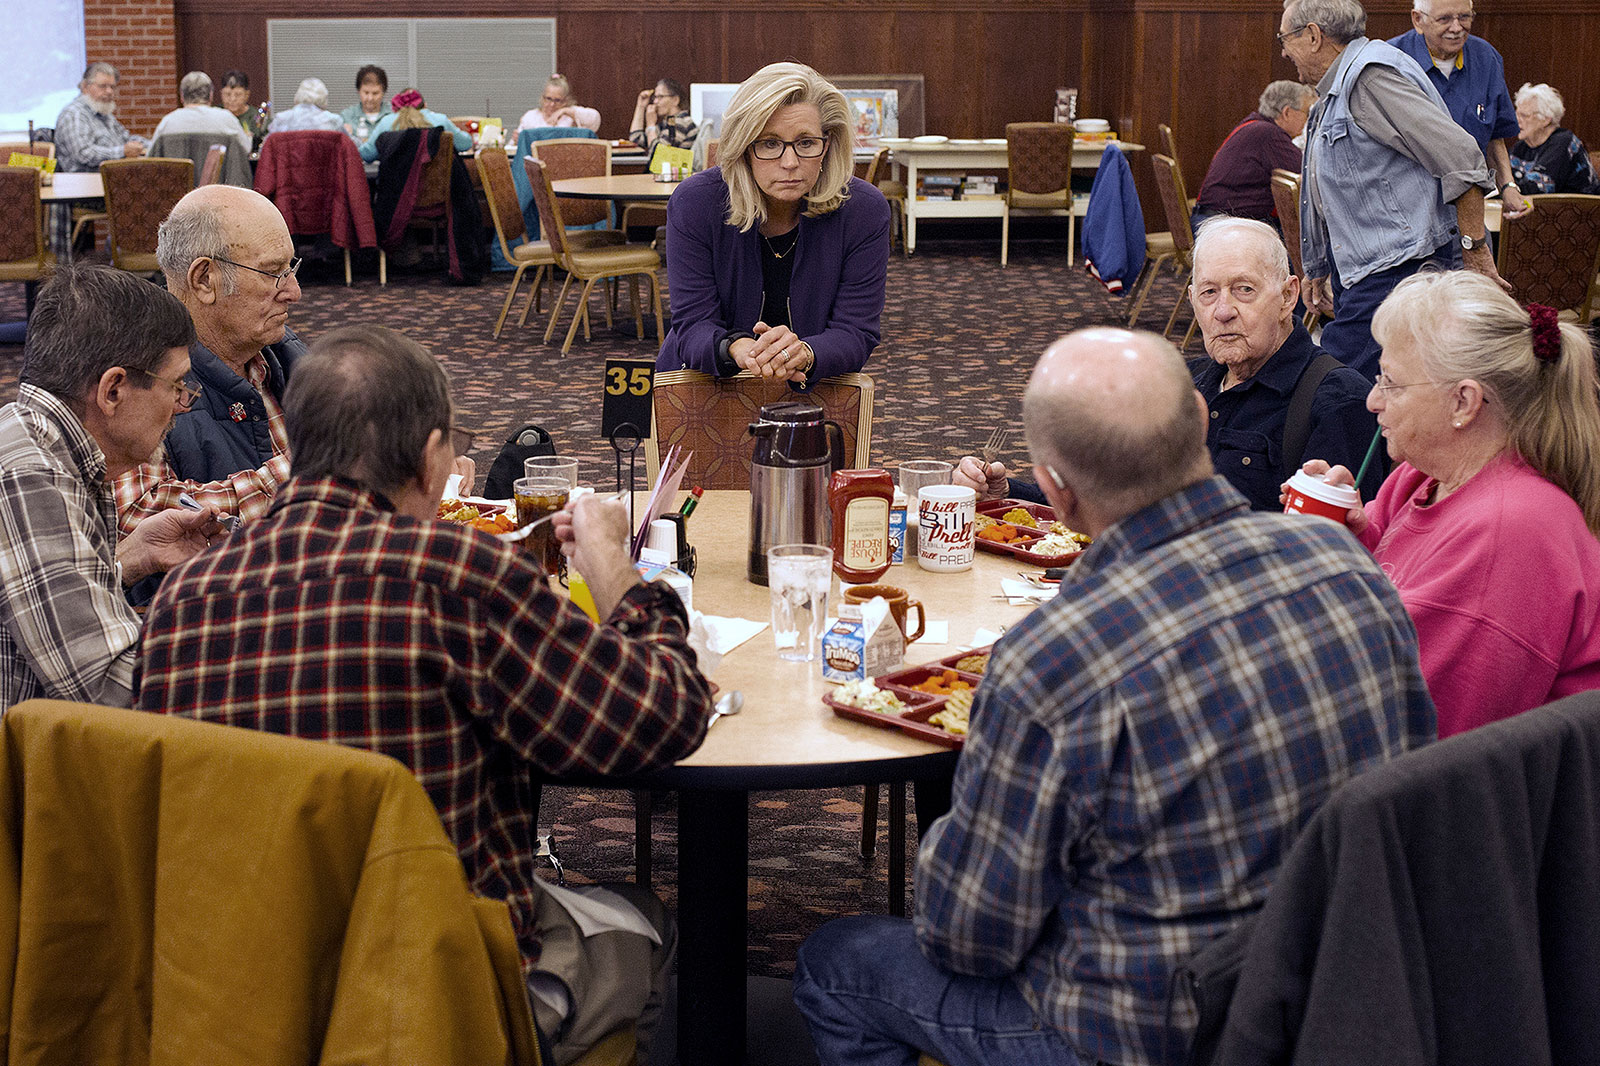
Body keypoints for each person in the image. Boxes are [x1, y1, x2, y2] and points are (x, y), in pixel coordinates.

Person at [792, 327, 1435, 1066]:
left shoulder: (1054, 656)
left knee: (837, 959)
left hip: (1143, 1030)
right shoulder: (1345, 564)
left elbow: (965, 935)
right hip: (1337, 984)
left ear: (1055, 491)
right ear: (1201, 419)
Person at [135, 323, 713, 1065]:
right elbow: (664, 714)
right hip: (436, 994)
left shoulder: (180, 603)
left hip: (240, 993)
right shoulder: (454, 572)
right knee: (642, 924)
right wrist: (615, 569)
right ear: (432, 455)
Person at [1301, 271, 1600, 738]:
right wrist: (1347, 532)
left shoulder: (1510, 532)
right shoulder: (1420, 476)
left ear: (1464, 401)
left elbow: (1409, 730)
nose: (1372, 400)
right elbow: (1390, 581)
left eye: (1391, 382)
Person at [0, 266, 223, 711]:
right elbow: (108, 685)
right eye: (177, 386)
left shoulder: (43, 443)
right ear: (113, 390)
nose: (182, 406)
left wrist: (128, 557)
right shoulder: (28, 471)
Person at [1280, 0, 1505, 377]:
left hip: (1397, 275)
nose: (1285, 51)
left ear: (1314, 36)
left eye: (1286, 39)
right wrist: (1318, 265)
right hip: (1370, 273)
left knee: (1337, 388)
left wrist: (1475, 251)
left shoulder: (1370, 78)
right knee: (1364, 392)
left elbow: (1463, 157)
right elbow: (1325, 187)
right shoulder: (1336, 88)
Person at [656, 62, 891, 388]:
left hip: (814, 387)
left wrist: (805, 353)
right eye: (769, 143)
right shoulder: (696, 203)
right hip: (703, 385)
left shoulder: (863, 210)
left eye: (806, 142)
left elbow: (855, 332)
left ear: (828, 144)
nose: (790, 162)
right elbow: (693, 326)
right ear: (743, 148)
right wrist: (740, 350)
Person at [113, 186, 304, 538]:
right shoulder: (141, 382)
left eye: (291, 267)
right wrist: (309, 475)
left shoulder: (285, 353)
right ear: (204, 280)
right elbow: (138, 514)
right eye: (273, 272)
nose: (294, 291)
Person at [1187, 217, 1382, 508]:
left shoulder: (1336, 401)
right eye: (1209, 293)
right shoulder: (1185, 384)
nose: (1223, 311)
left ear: (1288, 296)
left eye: (1244, 289)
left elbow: (1333, 545)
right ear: (1192, 300)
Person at [1388, 0, 1530, 219]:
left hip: (1469, 211)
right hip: (1405, 215)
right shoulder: (1389, 61)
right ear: (1418, 20)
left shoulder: (1486, 58)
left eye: (1464, 17)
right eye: (1444, 19)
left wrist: (1508, 186)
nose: (1456, 28)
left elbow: (1495, 136)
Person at [1192, 80, 1315, 228]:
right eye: (1307, 113)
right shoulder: (1268, 134)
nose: (1309, 120)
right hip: (1221, 226)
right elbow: (1308, 175)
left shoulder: (1255, 125)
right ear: (1287, 112)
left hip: (1213, 218)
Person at [53, 62, 148, 173]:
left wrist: (153, 145)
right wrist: (123, 152)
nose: (109, 91)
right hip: (85, 183)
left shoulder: (104, 113)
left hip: (112, 177)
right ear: (85, 87)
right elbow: (84, 154)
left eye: (112, 87)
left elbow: (125, 138)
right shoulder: (75, 114)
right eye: (103, 86)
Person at [1510, 82, 1600, 195]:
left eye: (1524, 115)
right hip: (1542, 210)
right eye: (1516, 114)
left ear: (1546, 120)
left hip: (1577, 210)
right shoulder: (1521, 147)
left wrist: (1506, 189)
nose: (1516, 120)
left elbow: (1537, 189)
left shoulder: (1564, 142)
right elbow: (1505, 180)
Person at [150, 71, 252, 156]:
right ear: (211, 95)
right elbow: (246, 149)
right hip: (218, 180)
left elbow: (151, 157)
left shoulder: (167, 123)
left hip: (179, 180)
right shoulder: (227, 119)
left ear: (181, 96)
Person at [358, 88, 473, 163]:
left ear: (396, 108)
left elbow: (366, 155)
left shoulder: (386, 123)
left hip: (395, 195)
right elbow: (465, 144)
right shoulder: (440, 121)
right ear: (425, 106)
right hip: (436, 194)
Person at [516, 74, 601, 134]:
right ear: (542, 98)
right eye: (548, 99)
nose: (552, 104)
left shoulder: (570, 115)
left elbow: (595, 120)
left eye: (557, 100)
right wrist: (517, 141)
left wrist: (565, 111)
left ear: (565, 101)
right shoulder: (531, 117)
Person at [629, 78, 698, 150]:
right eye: (655, 97)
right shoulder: (670, 121)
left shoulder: (679, 122)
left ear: (675, 100)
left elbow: (658, 154)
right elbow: (636, 140)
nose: (655, 101)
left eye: (660, 97)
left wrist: (651, 125)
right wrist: (641, 106)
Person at [266, 77, 344, 134]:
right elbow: (349, 150)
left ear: (298, 95)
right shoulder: (334, 121)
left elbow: (266, 151)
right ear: (324, 99)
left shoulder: (280, 120)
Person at [338, 64, 389, 145]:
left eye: (375, 93)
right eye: (366, 93)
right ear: (358, 91)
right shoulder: (346, 117)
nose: (370, 98)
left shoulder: (394, 115)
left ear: (383, 92)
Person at [218, 69, 263, 144]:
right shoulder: (215, 115)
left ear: (247, 95)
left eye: (238, 95)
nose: (232, 99)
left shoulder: (257, 118)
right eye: (227, 94)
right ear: (221, 94)